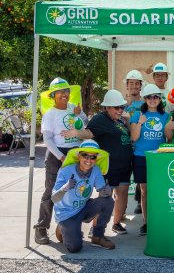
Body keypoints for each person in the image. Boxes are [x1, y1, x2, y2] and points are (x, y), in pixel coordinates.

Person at [62, 89, 132, 235]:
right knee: (105, 197)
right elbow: (89, 133)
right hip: (110, 167)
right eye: (116, 107)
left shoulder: (119, 121)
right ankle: (96, 228)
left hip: (124, 166)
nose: (120, 110)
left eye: (122, 107)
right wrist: (77, 133)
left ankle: (116, 223)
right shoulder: (100, 119)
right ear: (106, 107)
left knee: (123, 194)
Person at [33, 77, 88, 245]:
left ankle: (67, 227)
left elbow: (85, 124)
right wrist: (62, 157)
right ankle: (41, 228)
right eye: (60, 92)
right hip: (57, 155)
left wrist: (81, 114)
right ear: (53, 95)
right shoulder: (50, 115)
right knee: (52, 192)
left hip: (75, 153)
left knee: (73, 191)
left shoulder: (73, 108)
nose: (64, 95)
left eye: (66, 91)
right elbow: (48, 140)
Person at [52, 140, 115, 252]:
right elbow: (54, 198)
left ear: (96, 159)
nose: (89, 160)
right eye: (85, 155)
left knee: (108, 201)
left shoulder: (96, 169)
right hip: (66, 214)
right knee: (74, 248)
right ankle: (62, 228)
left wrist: (107, 191)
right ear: (79, 156)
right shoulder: (65, 170)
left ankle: (97, 237)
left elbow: (102, 190)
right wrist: (65, 188)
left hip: (83, 208)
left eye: (93, 157)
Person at [130, 84, 169, 235]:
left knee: (158, 191)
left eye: (155, 97)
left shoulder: (165, 116)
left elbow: (169, 138)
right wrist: (140, 122)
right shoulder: (137, 115)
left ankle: (159, 219)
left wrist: (168, 128)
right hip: (141, 157)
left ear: (160, 98)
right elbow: (134, 137)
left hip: (159, 158)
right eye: (149, 97)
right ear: (145, 99)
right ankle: (147, 222)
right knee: (145, 191)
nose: (152, 100)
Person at [122, 69, 144, 215]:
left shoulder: (145, 104)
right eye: (131, 83)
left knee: (140, 177)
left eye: (137, 84)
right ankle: (120, 210)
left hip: (139, 144)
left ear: (140, 86)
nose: (134, 86)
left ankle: (139, 202)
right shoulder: (120, 104)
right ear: (126, 86)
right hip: (123, 145)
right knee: (123, 180)